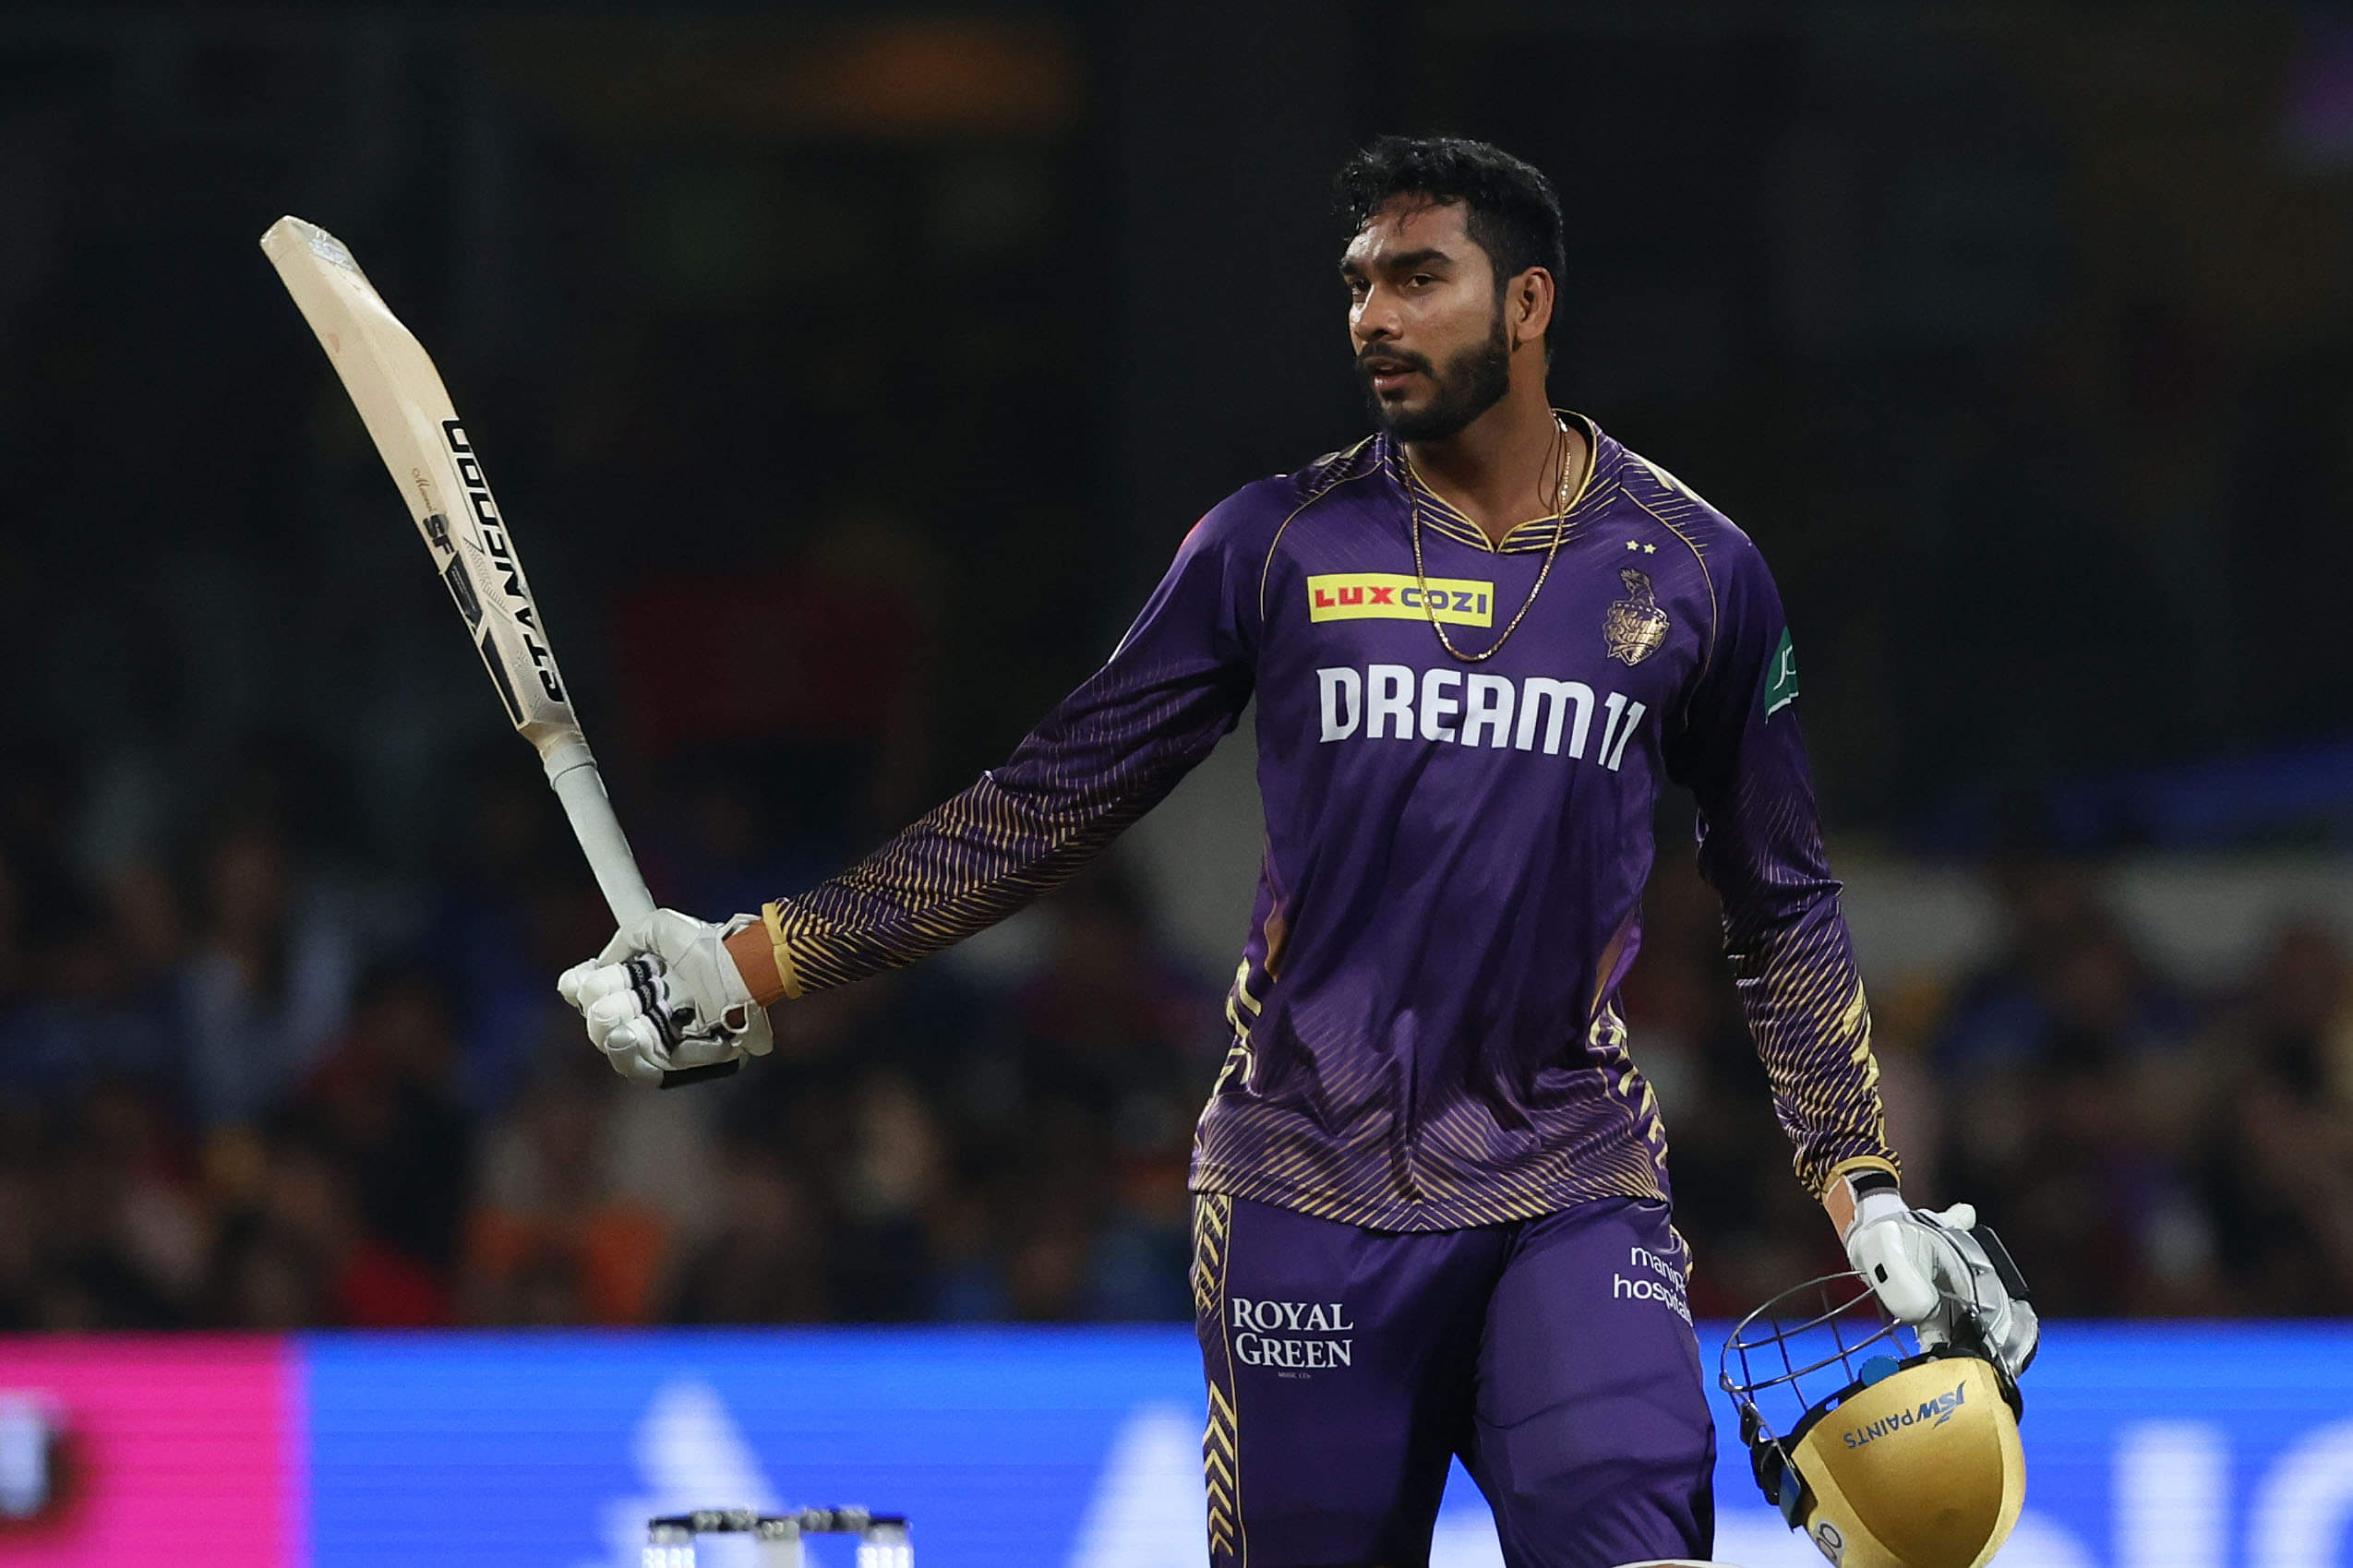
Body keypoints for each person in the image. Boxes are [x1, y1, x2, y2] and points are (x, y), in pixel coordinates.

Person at [558, 136, 2018, 1568]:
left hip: (1573, 1186)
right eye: (1358, 282)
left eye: (1418, 278)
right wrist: (752, 960)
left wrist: (1863, 1185)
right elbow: (1047, 802)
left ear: (1527, 303)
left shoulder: (1698, 569)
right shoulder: (1273, 542)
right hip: (1302, 1193)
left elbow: (1778, 899)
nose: (1373, 316)